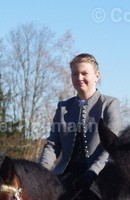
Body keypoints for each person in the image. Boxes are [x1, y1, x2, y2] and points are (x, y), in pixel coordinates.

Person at [38, 53, 121, 192]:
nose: (79, 78)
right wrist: (39, 172)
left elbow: (111, 147)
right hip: (63, 176)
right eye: (75, 74)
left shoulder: (110, 104)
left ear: (97, 76)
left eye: (84, 73)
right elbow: (53, 145)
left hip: (98, 178)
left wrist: (93, 172)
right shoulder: (63, 107)